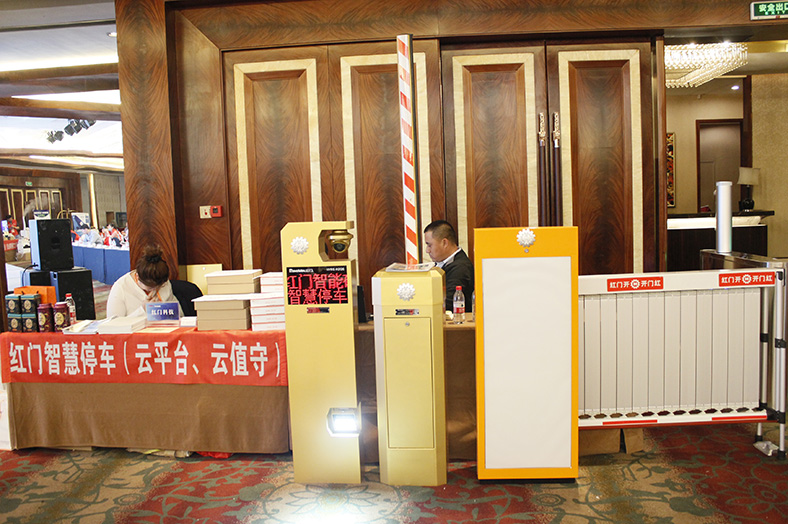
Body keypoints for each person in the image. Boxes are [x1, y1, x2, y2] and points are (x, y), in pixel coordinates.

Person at [106, 244, 181, 318]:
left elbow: (180, 315)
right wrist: (143, 310)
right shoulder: (120, 287)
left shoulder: (164, 282)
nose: (154, 290)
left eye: (159, 287)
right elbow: (114, 324)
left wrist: (164, 309)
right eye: (150, 288)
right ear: (137, 276)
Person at [423, 220, 474, 312]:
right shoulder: (442, 263)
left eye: (429, 245)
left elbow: (448, 303)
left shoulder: (460, 268)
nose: (427, 250)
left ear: (445, 243)